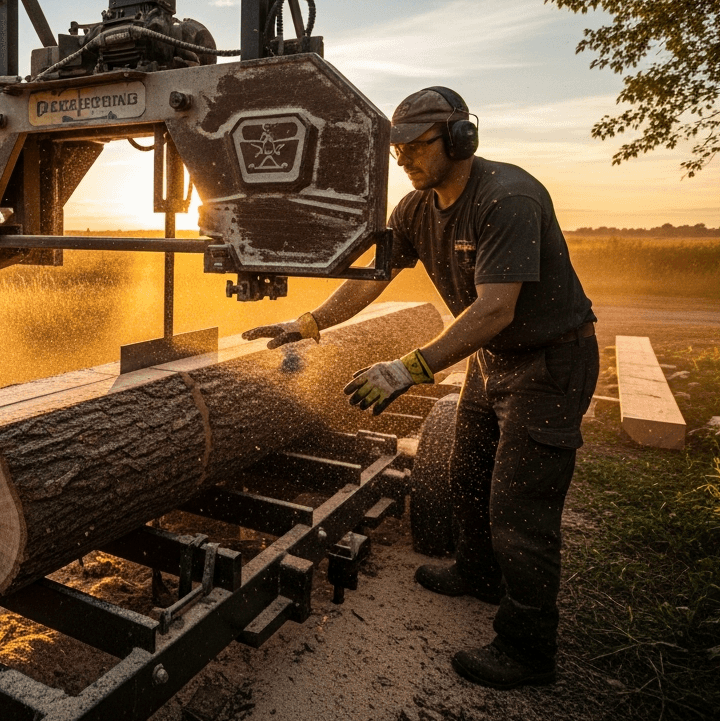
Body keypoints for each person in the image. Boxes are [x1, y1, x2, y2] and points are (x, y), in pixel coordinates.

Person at [243, 87, 598, 690]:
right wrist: (309, 323)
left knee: (521, 508)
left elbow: (495, 309)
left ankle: (529, 648)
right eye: (397, 149)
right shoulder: (415, 208)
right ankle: (478, 574)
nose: (403, 159)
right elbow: (372, 277)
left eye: (416, 146)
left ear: (460, 139)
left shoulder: (507, 198)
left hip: (548, 364)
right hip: (494, 360)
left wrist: (410, 367)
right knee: (469, 469)